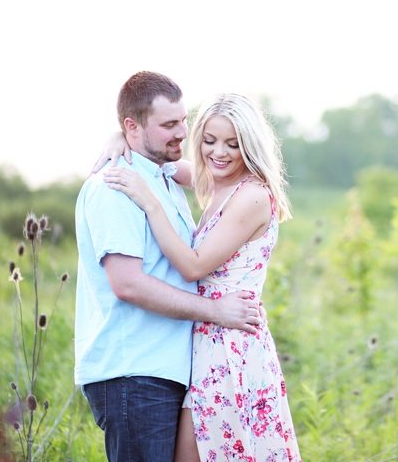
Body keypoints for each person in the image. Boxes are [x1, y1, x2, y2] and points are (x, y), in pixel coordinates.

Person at [74, 72, 264, 462]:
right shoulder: (116, 185)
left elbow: (232, 174)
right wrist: (214, 310)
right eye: (168, 125)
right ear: (133, 126)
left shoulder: (162, 177)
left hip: (167, 369)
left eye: (182, 121)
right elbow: (127, 284)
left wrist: (124, 140)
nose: (182, 133)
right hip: (134, 373)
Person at [102, 92, 301, 462]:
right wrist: (120, 138)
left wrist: (150, 203)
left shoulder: (252, 195)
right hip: (208, 339)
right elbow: (158, 163)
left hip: (232, 346)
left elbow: (194, 266)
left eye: (232, 143)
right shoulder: (218, 182)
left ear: (250, 145)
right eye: (209, 141)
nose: (219, 153)